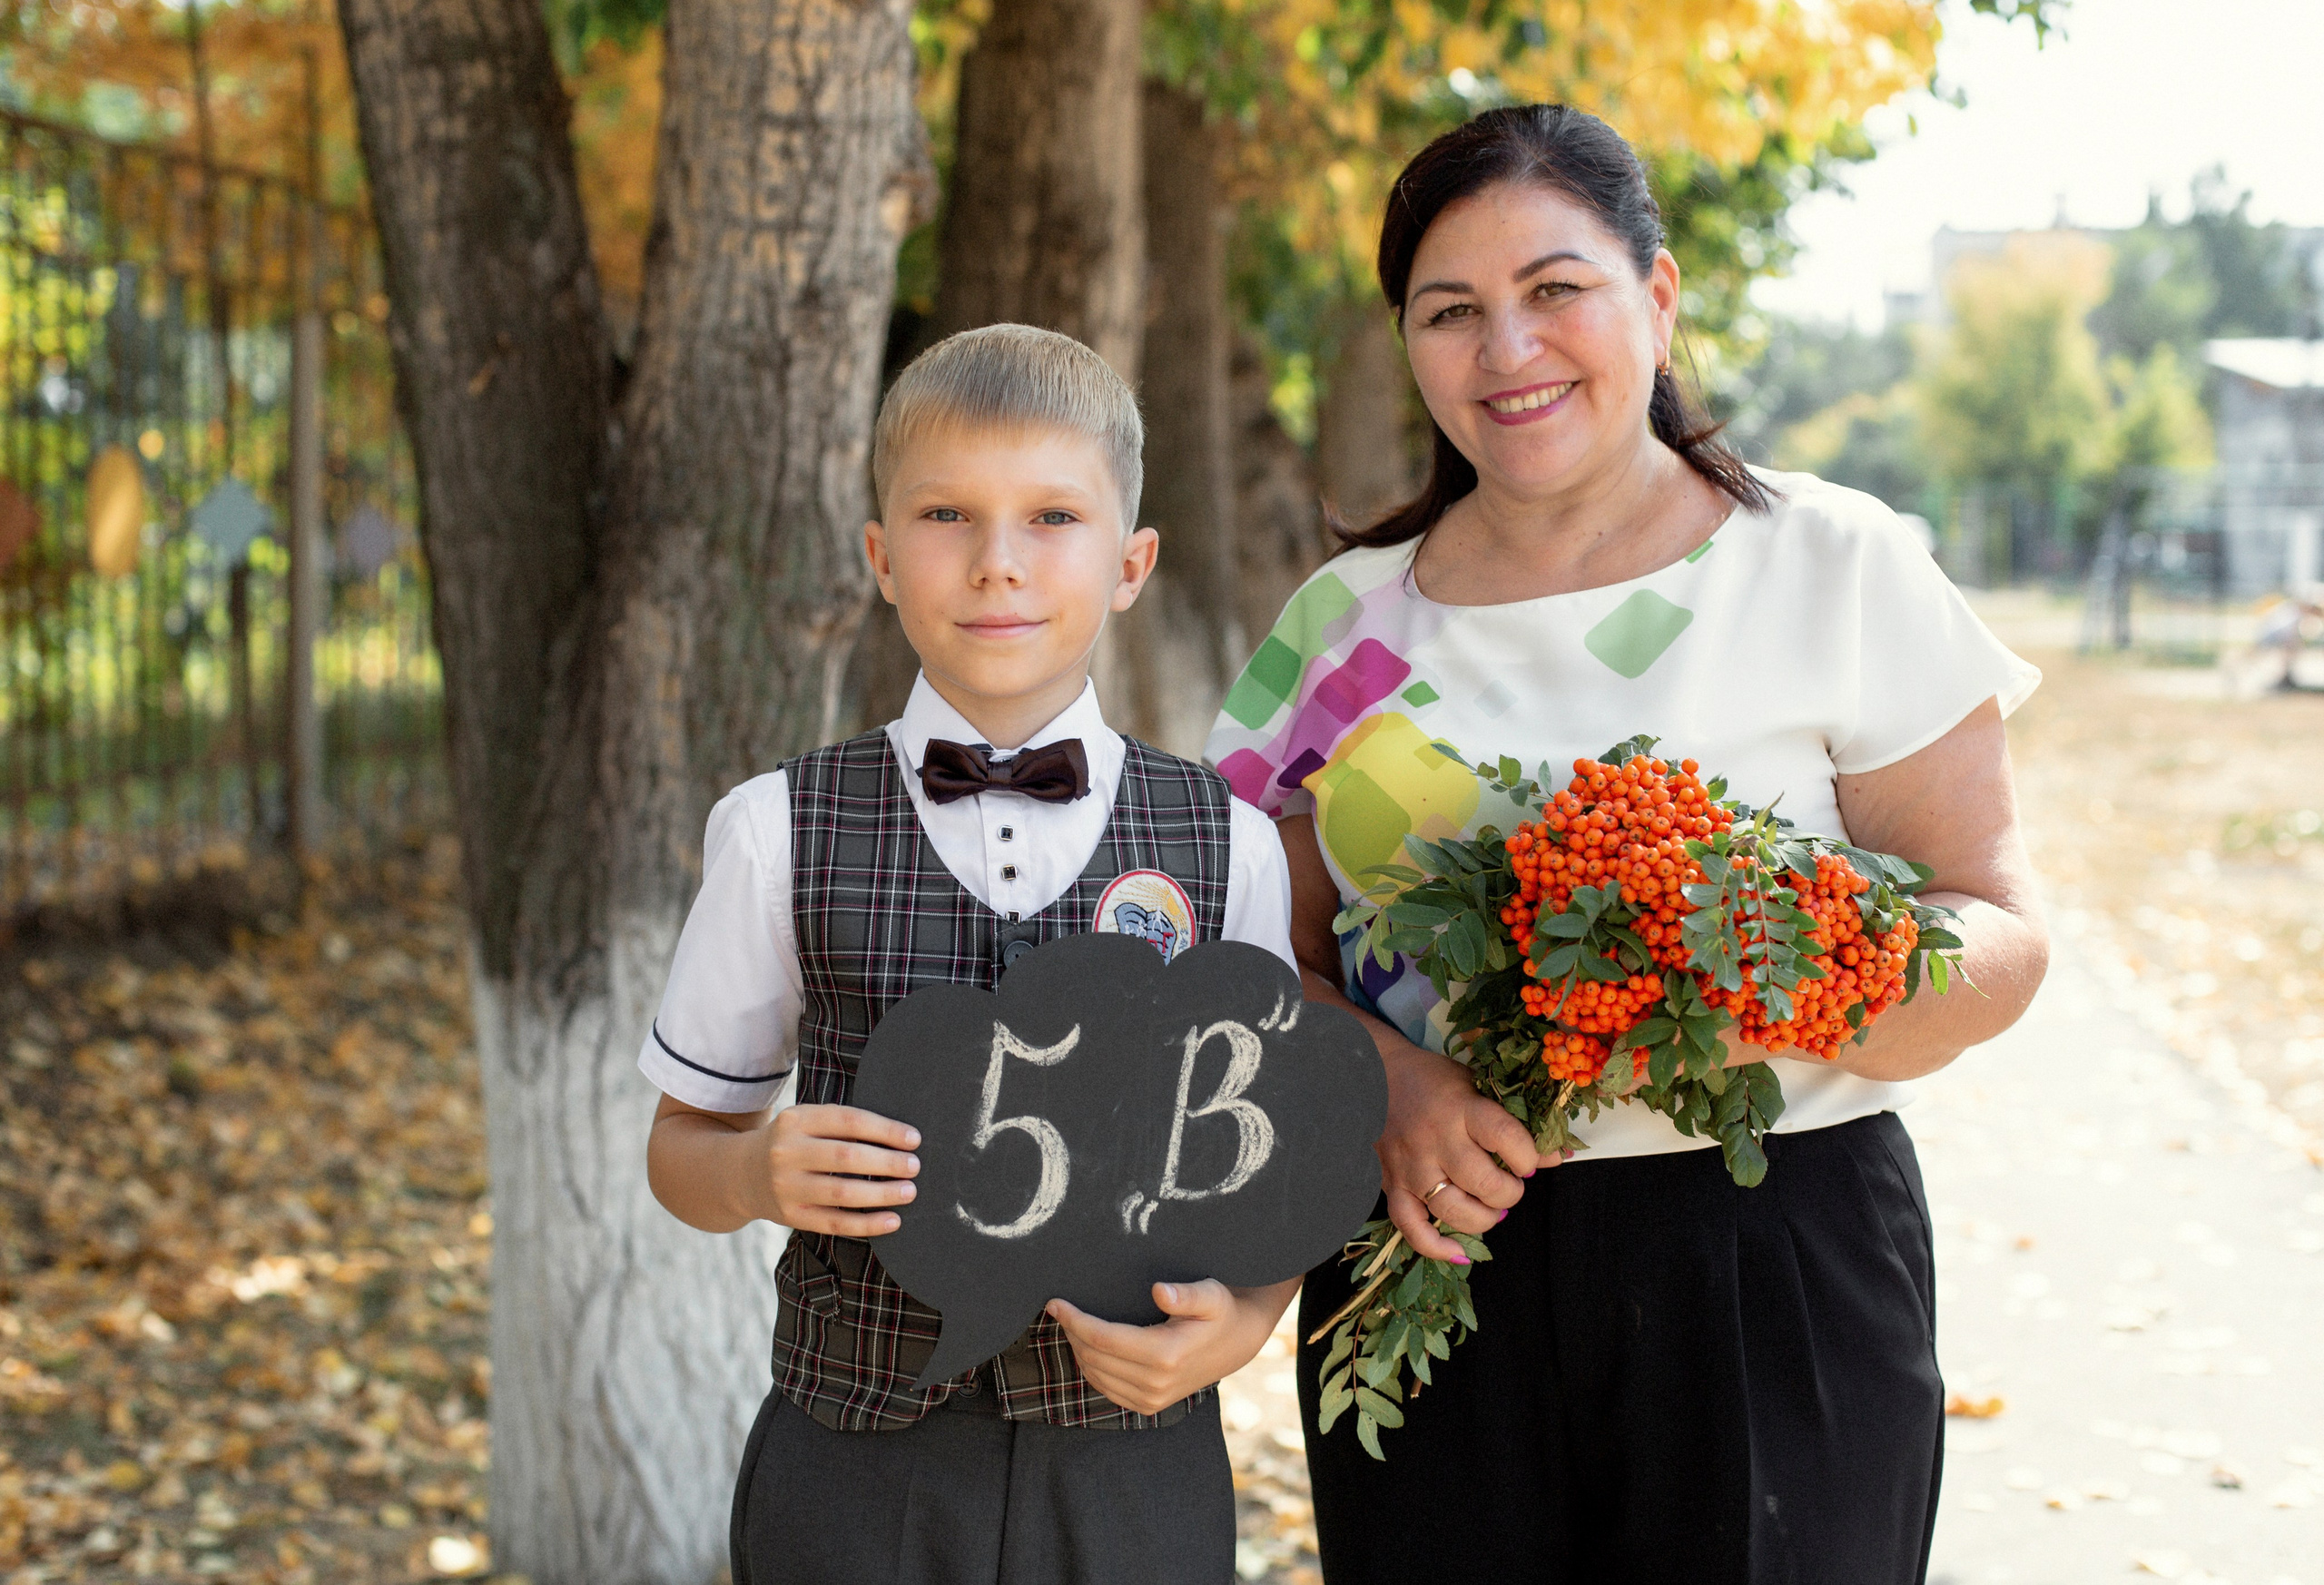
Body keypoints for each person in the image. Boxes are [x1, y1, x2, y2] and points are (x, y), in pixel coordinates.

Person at [1205, 106, 2051, 1584]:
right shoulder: (1341, 626)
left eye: (1555, 291)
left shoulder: (1831, 564)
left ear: (1656, 299)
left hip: (1771, 1254)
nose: (1506, 348)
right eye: (1450, 312)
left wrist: (1789, 968)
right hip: (1428, 1257)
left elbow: (1999, 923)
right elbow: (1227, 951)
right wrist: (1381, 1078)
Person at [641, 324, 1301, 1585]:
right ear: (884, 557)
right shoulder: (778, 827)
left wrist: (1244, 1325)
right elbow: (682, 1149)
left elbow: (1267, 1171)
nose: (999, 563)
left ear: (1131, 560)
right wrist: (758, 1169)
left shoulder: (1228, 842)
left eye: (1054, 515)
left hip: (1132, 1468)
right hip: (854, 1465)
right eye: (948, 514)